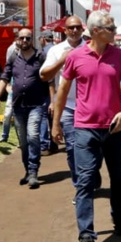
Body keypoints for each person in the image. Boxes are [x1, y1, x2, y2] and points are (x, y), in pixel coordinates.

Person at [52, 11, 121, 242]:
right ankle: (86, 236)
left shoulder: (118, 55)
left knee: (118, 179)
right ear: (97, 30)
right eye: (111, 28)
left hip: (114, 129)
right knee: (85, 181)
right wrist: (56, 124)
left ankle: (118, 216)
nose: (115, 31)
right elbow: (62, 91)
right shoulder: (76, 57)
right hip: (85, 128)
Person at [0, 28, 51, 189]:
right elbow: (5, 77)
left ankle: (33, 171)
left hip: (36, 105)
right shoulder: (13, 57)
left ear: (32, 40)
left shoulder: (41, 57)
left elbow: (49, 78)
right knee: (23, 142)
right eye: (21, 38)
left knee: (33, 136)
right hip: (18, 106)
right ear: (17, 39)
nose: (24, 41)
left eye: (27, 38)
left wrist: (52, 100)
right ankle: (27, 170)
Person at [40, 16, 86, 188]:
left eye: (77, 27)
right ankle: (80, 185)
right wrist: (62, 60)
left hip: (88, 107)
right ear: (65, 30)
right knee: (72, 148)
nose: (74, 30)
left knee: (90, 147)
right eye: (70, 28)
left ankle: (90, 174)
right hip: (67, 106)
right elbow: (45, 75)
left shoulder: (91, 48)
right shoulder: (56, 50)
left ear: (82, 30)